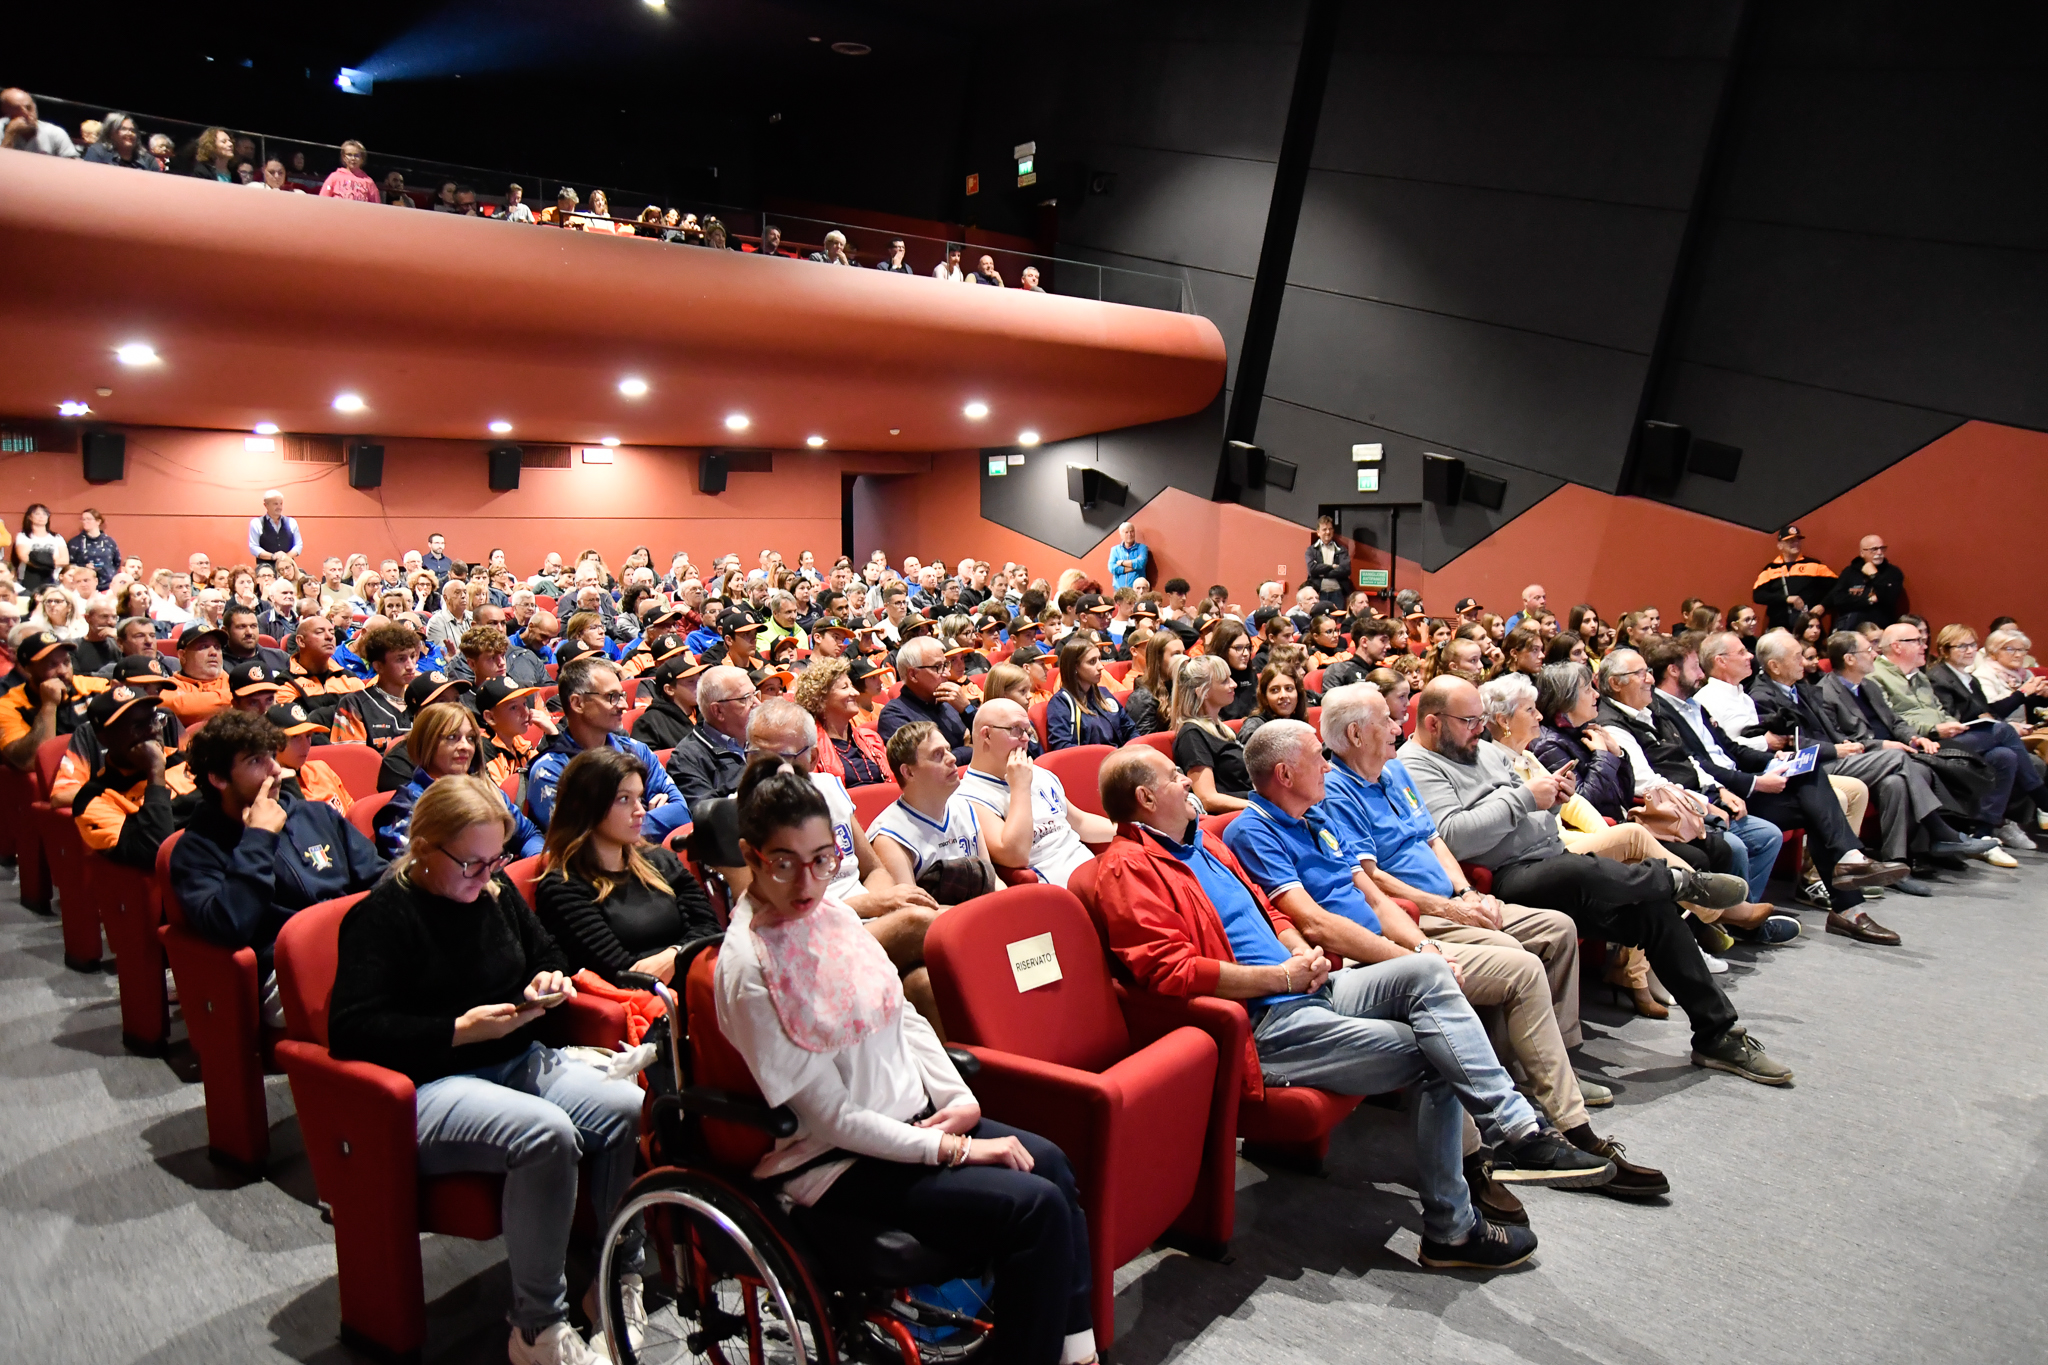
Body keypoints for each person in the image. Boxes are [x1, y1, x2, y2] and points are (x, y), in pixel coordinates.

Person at [1096, 744, 1580, 1268]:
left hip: (1308, 987)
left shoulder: (1201, 842)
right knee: (1440, 1054)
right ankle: (1454, 1228)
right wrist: (1280, 975)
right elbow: (1171, 972)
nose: (1188, 783)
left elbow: (1267, 908)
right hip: (1264, 1024)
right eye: (1175, 777)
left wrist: (1302, 953)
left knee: (1428, 970)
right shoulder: (1127, 869)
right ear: (1145, 798)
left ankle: (1515, 1128)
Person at [716, 758, 1097, 1362]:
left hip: (911, 1122)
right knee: (1036, 1207)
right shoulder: (747, 968)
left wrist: (960, 1102)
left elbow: (904, 1016)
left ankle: (1076, 1351)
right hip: (837, 1163)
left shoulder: (834, 915)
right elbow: (833, 1120)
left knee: (1051, 1162)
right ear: (751, 855)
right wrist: (957, 1149)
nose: (809, 883)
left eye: (823, 860)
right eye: (784, 864)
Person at [1225, 718, 1648, 1186]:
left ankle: (1564, 1124)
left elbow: (1376, 899)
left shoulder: (1318, 815)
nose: (1326, 765)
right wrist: (1411, 958)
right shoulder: (1252, 831)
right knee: (1464, 985)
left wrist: (1422, 945)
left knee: (1523, 962)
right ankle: (1480, 1162)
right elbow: (1315, 923)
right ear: (1285, 775)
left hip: (1392, 944)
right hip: (1353, 962)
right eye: (1316, 757)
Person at [327, 775, 647, 1365]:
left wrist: (548, 980)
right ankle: (538, 1328)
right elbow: (350, 1030)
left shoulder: (494, 891)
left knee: (628, 1105)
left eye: (495, 859)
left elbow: (548, 952)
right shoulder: (381, 917)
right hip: (429, 1083)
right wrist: (457, 1031)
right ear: (422, 847)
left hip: (516, 1059)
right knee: (546, 1134)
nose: (485, 875)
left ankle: (613, 1276)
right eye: (470, 863)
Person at [1397, 677, 1792, 1085]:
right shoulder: (1417, 765)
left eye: (1482, 719)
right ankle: (1674, 882)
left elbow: (1531, 813)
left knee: (1653, 912)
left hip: (1550, 860)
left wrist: (1553, 799)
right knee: (1581, 868)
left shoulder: (1482, 752)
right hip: (1502, 880)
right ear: (1433, 722)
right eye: (1469, 721)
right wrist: (1527, 799)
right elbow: (1455, 835)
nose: (1480, 730)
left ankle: (1717, 1034)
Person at [174, 710, 384, 1025]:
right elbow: (229, 925)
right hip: (282, 970)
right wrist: (258, 839)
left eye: (272, 756)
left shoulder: (315, 815)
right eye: (256, 761)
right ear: (218, 778)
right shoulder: (197, 849)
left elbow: (379, 877)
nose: (275, 769)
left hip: (354, 945)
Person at [534, 746, 718, 987]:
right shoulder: (563, 887)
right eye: (624, 799)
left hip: (695, 983)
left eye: (639, 797)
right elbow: (622, 972)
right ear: (586, 807)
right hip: (645, 1006)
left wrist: (674, 955)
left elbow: (710, 928)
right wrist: (684, 954)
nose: (640, 811)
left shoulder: (659, 859)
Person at [1871, 622, 2044, 849]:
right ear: (1897, 646)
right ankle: (2043, 800)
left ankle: (1984, 832)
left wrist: (1952, 724)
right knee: (2003, 730)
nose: (1924, 646)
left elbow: (1939, 711)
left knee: (2004, 756)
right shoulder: (1876, 677)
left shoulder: (1918, 676)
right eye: (1917, 641)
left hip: (1945, 735)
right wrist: (1932, 730)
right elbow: (1892, 718)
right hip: (1922, 742)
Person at [529, 657, 689, 840]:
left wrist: (617, 826)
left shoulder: (636, 750)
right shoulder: (551, 770)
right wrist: (651, 819)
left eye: (622, 696)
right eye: (611, 697)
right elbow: (584, 841)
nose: (622, 705)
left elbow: (681, 812)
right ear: (577, 703)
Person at [961, 698, 1115, 888]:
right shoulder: (967, 797)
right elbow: (1015, 855)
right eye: (1016, 729)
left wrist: (1134, 829)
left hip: (1094, 874)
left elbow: (1079, 823)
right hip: (1056, 890)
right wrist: (1020, 787)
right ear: (987, 735)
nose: (1026, 738)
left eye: (1027, 730)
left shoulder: (1038, 772)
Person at [376, 702, 545, 859]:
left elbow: (528, 835)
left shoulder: (485, 788)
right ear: (426, 743)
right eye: (452, 737)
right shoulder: (410, 807)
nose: (465, 746)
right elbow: (409, 875)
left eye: (471, 738)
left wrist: (538, 863)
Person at [71, 685, 201, 874]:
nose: (153, 731)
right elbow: (155, 853)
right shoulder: (93, 801)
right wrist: (155, 771)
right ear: (104, 738)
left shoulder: (185, 760)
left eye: (154, 720)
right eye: (138, 725)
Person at [865, 722, 994, 890]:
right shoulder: (890, 837)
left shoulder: (964, 807)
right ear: (909, 772)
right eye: (938, 754)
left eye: (948, 750)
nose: (952, 758)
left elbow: (992, 880)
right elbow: (913, 911)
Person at [1170, 655, 1251, 812]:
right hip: (1240, 816)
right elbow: (1207, 799)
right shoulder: (1192, 736)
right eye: (1224, 681)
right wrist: (1265, 808)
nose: (1234, 684)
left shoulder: (1222, 729)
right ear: (1203, 692)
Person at [665, 664, 755, 805]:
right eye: (745, 699)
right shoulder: (686, 759)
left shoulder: (765, 738)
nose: (757, 703)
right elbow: (706, 815)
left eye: (755, 694)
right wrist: (756, 777)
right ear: (718, 711)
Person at [879, 636, 976, 766]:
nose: (947, 673)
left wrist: (967, 709)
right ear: (913, 675)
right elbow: (925, 765)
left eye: (946, 665)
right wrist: (969, 750)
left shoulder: (951, 700)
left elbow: (989, 738)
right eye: (938, 667)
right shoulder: (894, 715)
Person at [796, 656, 889, 788]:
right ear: (821, 699)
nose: (855, 693)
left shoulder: (872, 739)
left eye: (852, 685)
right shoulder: (809, 749)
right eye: (845, 687)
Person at [330, 621, 422, 749]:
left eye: (412, 657)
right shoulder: (355, 704)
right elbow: (350, 760)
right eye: (400, 659)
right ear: (378, 666)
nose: (410, 666)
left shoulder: (423, 699)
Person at [1044, 637, 1134, 751]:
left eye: (1099, 659)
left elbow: (1130, 729)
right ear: (1075, 667)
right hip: (1089, 762)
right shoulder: (1061, 703)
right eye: (1092, 662)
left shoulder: (1104, 694)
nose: (1101, 667)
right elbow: (1062, 748)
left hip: (1118, 759)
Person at [1751, 524, 1838, 631]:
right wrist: (1787, 599)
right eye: (1790, 541)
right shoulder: (1770, 569)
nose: (1795, 543)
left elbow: (1838, 588)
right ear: (1780, 545)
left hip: (1807, 628)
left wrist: (1823, 606)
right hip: (1779, 628)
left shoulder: (1815, 565)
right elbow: (1758, 595)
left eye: (1797, 540)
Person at [1822, 534, 1904, 630]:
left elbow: (1889, 598)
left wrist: (1874, 576)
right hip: (1851, 628)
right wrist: (1868, 600)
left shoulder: (1892, 572)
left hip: (1879, 628)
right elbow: (1839, 600)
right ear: (1862, 553)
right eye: (1874, 549)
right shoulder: (1849, 572)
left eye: (1882, 548)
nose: (1879, 552)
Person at [1125, 629, 1183, 736]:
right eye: (1176, 654)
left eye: (1183, 653)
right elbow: (1146, 743)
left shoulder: (1183, 688)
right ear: (1158, 660)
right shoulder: (1142, 698)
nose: (1183, 659)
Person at [1234, 664, 1307, 750]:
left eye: (1289, 688)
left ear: (1298, 693)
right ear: (1264, 697)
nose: (1283, 695)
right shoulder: (1254, 728)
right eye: (1275, 690)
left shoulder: (1299, 721)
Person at [0, 89, 80, 156]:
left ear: (35, 106)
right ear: (7, 115)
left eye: (29, 108)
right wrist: (10, 135)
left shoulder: (55, 133)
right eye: (17, 110)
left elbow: (73, 165)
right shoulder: (2, 130)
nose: (27, 114)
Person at [14, 503, 69, 592]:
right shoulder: (23, 536)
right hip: (28, 578)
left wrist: (38, 558)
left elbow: (65, 560)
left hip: (53, 579)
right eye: (37, 514)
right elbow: (24, 557)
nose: (41, 517)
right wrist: (50, 560)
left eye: (44, 514)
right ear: (29, 517)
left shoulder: (57, 537)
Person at [66, 508, 120, 592]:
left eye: (89, 519)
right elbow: (70, 564)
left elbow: (117, 561)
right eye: (83, 519)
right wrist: (84, 567)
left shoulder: (109, 542)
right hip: (84, 586)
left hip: (108, 585)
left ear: (98, 521)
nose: (85, 521)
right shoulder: (75, 542)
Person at [1303, 516, 1351, 608]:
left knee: (1337, 620)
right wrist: (1332, 567)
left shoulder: (1341, 549)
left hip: (1337, 594)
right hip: (1318, 594)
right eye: (1324, 529)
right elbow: (1312, 570)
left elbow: (1346, 570)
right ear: (1318, 532)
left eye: (1330, 529)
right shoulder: (1311, 550)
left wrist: (1322, 573)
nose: (1328, 532)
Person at [1106, 523, 1153, 591]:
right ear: (1121, 534)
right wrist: (1134, 566)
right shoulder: (1115, 550)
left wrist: (1121, 562)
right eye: (1126, 532)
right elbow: (1112, 568)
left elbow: (1141, 563)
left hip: (1138, 591)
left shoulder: (1142, 548)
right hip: (1119, 590)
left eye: (1132, 531)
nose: (1130, 534)